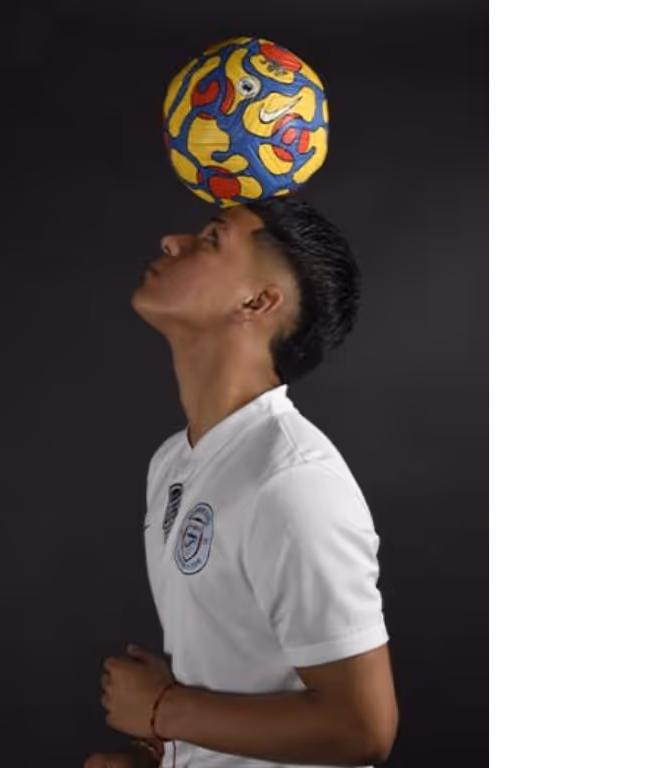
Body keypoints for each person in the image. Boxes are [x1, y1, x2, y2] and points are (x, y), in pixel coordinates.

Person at [86, 196, 398, 768]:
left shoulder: (293, 480)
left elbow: (362, 729)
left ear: (257, 301)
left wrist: (162, 710)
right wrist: (161, 752)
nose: (171, 242)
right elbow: (243, 675)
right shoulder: (173, 462)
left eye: (211, 239)